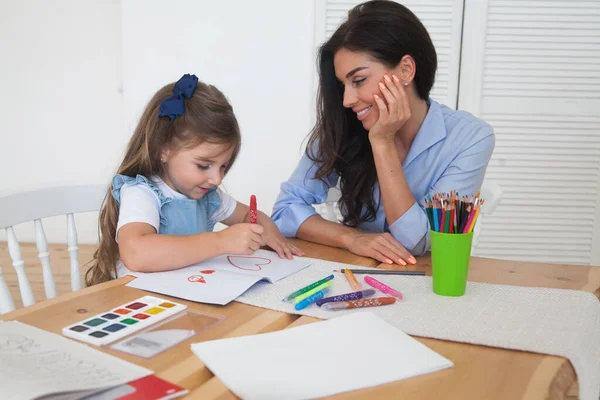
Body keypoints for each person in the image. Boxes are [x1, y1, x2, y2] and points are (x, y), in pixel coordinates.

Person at [272, 0, 494, 266]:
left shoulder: (470, 138)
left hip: (427, 283)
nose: (347, 100)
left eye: (359, 80)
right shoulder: (342, 126)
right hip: (358, 275)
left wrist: (382, 143)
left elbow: (419, 243)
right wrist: (351, 238)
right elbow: (285, 210)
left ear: (405, 70)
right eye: (343, 84)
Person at [86, 74, 303, 286]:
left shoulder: (207, 197)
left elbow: (248, 215)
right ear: (164, 150)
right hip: (139, 303)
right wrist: (221, 242)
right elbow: (136, 253)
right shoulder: (143, 193)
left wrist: (272, 235)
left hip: (186, 295)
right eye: (204, 165)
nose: (216, 179)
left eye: (223, 166)